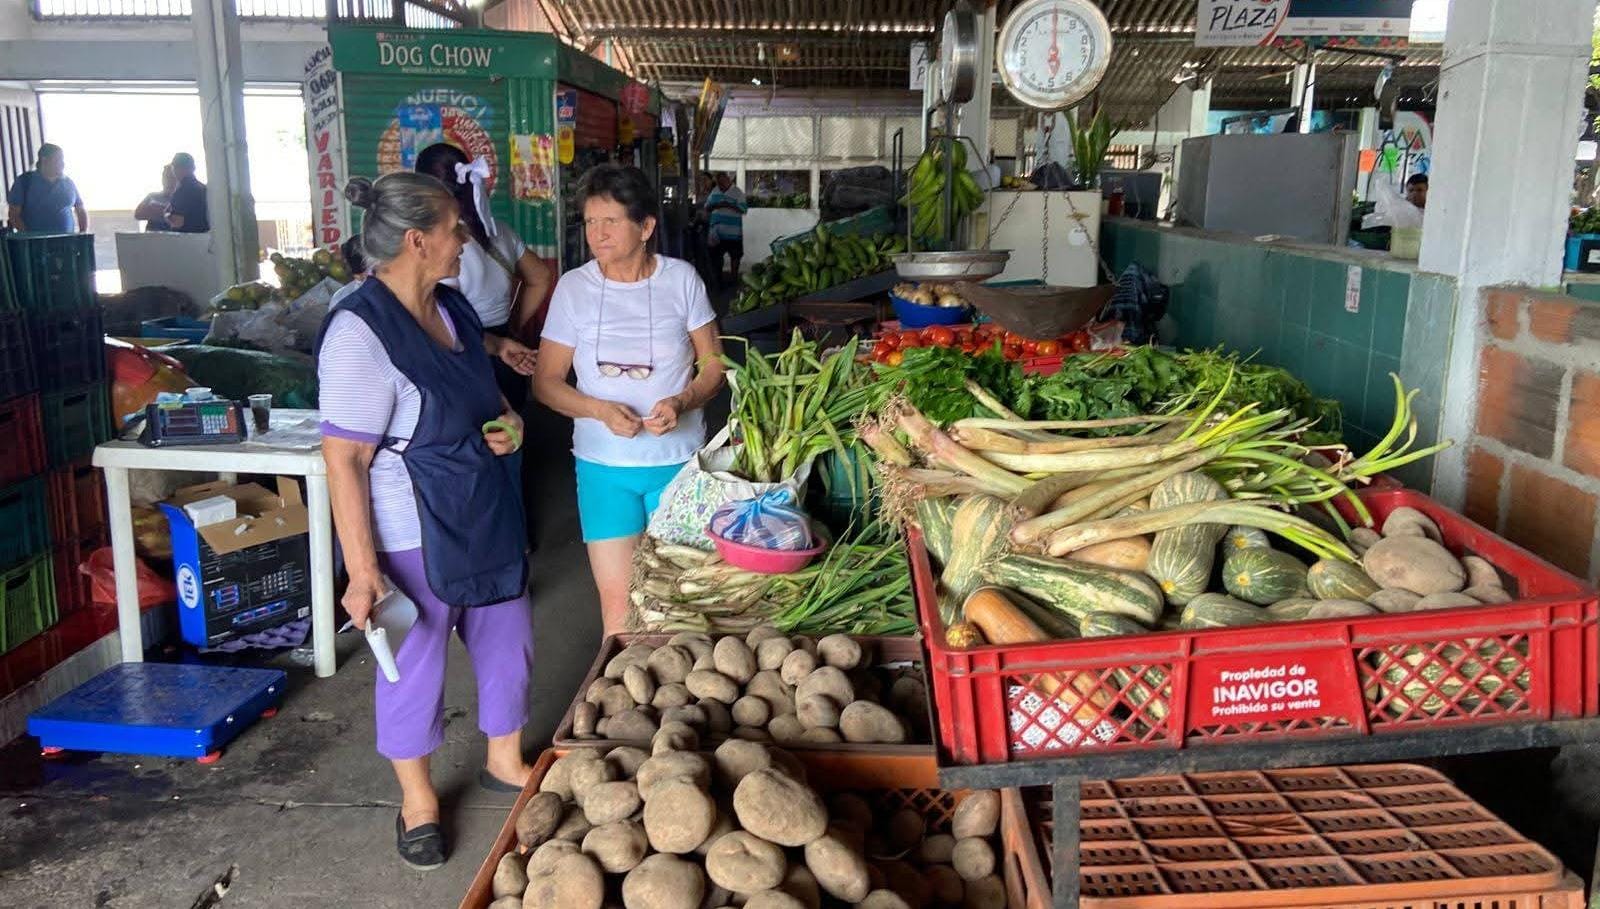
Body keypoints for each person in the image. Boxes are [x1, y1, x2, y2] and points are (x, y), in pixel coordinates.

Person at [316, 172, 534, 870]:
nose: (463, 236)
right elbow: (344, 459)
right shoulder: (359, 333)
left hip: (485, 503)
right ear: (417, 240)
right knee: (414, 666)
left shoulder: (456, 308)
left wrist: (513, 424)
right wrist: (364, 569)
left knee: (510, 639)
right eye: (452, 227)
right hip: (412, 525)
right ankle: (418, 801)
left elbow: (486, 392)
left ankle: (505, 757)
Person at [534, 165, 725, 636]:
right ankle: (622, 694)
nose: (597, 234)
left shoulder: (681, 281)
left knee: (679, 598)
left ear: (645, 227)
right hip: (603, 469)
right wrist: (598, 409)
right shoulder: (574, 288)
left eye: (611, 222)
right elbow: (547, 382)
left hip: (678, 465)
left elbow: (716, 366)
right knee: (618, 604)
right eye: (591, 222)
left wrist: (683, 400)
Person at [414, 143, 550, 408]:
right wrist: (511, 326)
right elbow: (541, 277)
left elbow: (442, 322)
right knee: (511, 436)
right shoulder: (499, 230)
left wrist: (499, 342)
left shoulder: (440, 243)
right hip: (506, 355)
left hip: (465, 357)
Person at [6, 144, 87, 234]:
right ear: (44, 160)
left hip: (66, 243)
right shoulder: (25, 181)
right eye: (58, 160)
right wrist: (28, 236)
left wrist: (82, 235)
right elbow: (13, 214)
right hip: (36, 244)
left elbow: (80, 210)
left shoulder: (68, 183)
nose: (62, 164)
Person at [705, 171, 747, 290]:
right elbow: (707, 207)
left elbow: (744, 209)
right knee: (716, 257)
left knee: (735, 256)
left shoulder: (737, 192)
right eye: (719, 183)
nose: (721, 185)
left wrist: (728, 205)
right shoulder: (715, 191)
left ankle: (734, 280)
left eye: (723, 182)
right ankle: (718, 281)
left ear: (728, 180)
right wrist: (716, 205)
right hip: (716, 232)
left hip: (733, 233)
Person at [164, 153, 209, 233]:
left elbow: (178, 221)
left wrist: (166, 214)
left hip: (186, 239)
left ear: (176, 168)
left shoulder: (182, 191)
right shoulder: (203, 188)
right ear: (193, 168)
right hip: (204, 237)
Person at [134, 165, 177, 232]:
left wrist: (157, 210)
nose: (168, 180)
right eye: (165, 176)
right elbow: (138, 214)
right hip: (151, 238)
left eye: (171, 177)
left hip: (171, 238)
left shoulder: (182, 199)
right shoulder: (152, 196)